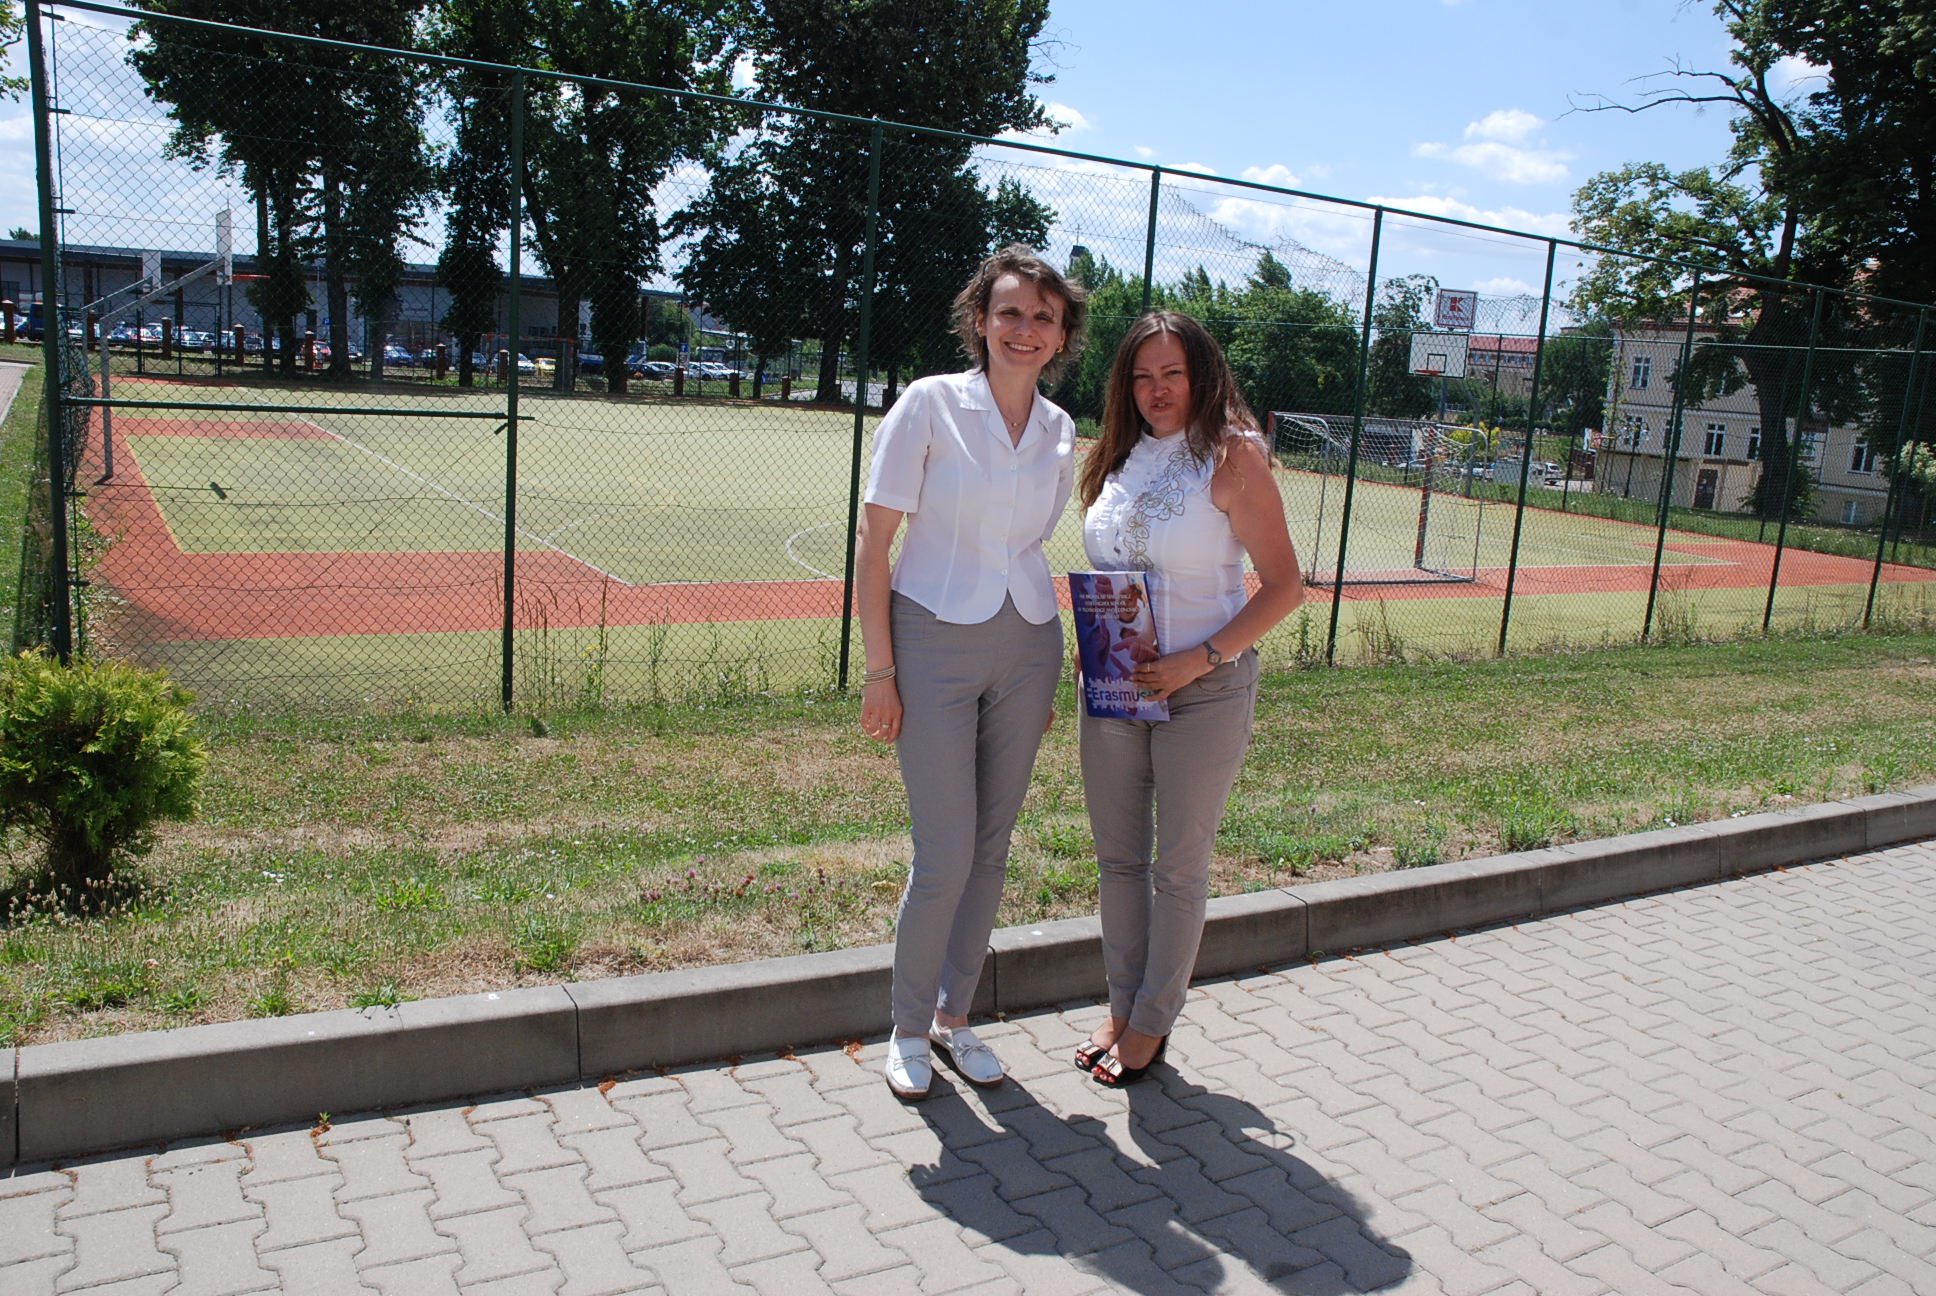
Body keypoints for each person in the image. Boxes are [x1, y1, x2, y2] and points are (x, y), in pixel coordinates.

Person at [855, 245, 1087, 1100]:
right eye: (1010, 312)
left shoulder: (1060, 429)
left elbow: (1032, 543)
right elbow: (875, 542)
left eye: (1043, 317)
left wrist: (1047, 671)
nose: (1025, 329)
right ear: (981, 320)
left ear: (1061, 335)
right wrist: (880, 671)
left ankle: (955, 1018)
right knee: (946, 852)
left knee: (992, 848)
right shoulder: (929, 403)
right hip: (931, 639)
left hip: (1028, 643)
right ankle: (908, 1026)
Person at [1072, 311, 1305, 1088]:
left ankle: (1151, 1022)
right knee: (1117, 860)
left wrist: (1199, 660)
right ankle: (1121, 1007)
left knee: (1177, 866)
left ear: (1202, 375)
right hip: (1115, 684)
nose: (1157, 390)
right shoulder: (1118, 454)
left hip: (1205, 690)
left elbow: (1285, 586)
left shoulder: (1233, 455)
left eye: (1172, 373)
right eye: (1142, 376)